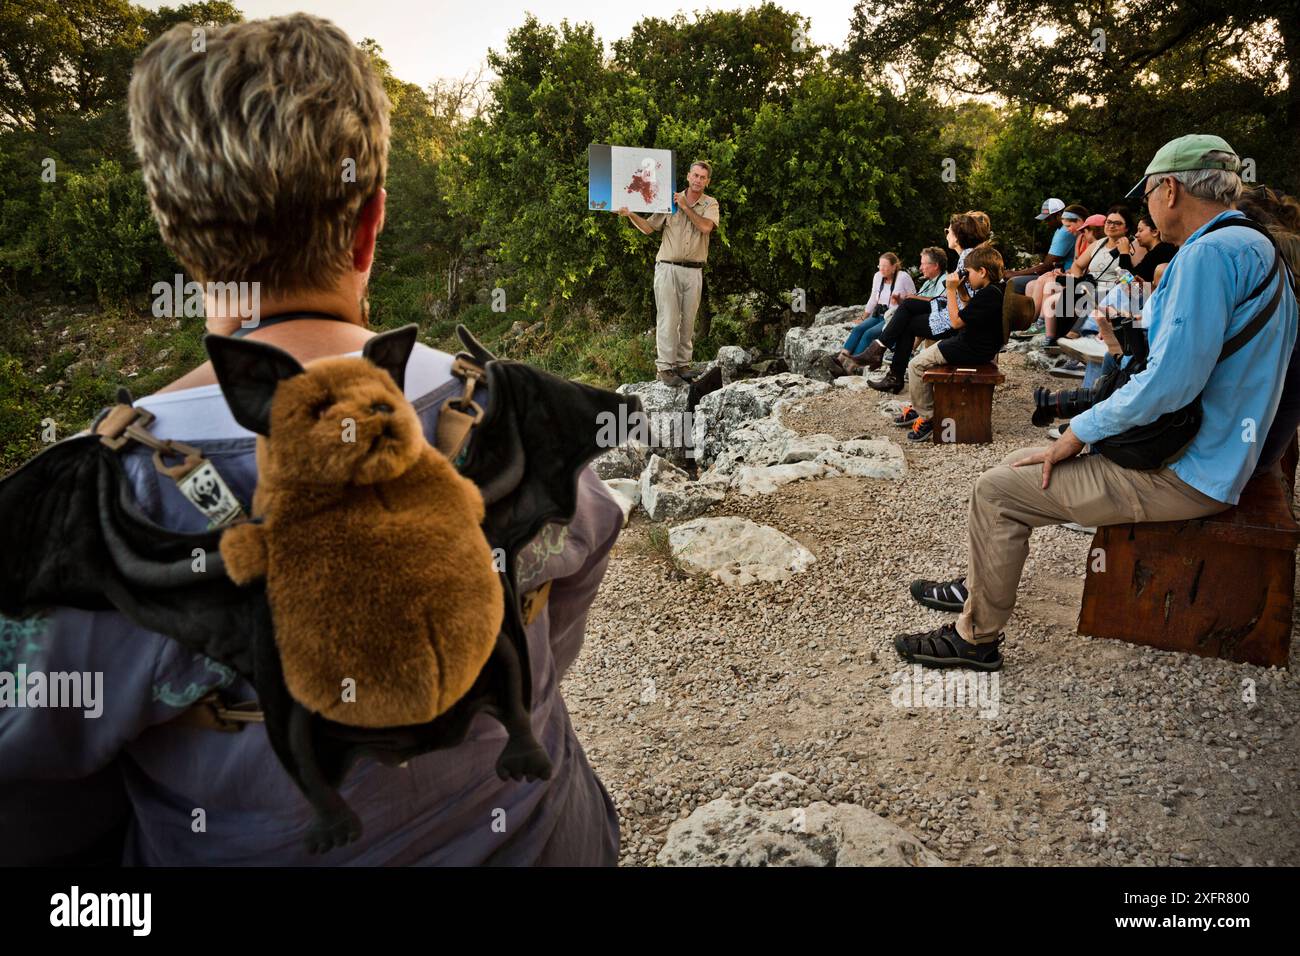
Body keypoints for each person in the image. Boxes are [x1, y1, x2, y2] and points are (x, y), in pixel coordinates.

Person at [0, 14, 624, 865]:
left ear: (180, 240)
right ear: (371, 223)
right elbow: (580, 571)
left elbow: (34, 788)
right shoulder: (511, 413)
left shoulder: (118, 493)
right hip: (546, 840)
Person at [894, 134, 1297, 671]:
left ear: (1170, 190)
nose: (1144, 206)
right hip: (1224, 455)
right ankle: (974, 585)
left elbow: (1168, 384)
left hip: (1192, 470)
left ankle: (976, 638)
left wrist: (1078, 432)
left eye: (1148, 194)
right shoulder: (1257, 247)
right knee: (1018, 474)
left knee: (997, 491)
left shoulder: (1206, 256)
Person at [619, 161, 721, 387]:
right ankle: (664, 368)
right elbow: (648, 228)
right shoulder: (668, 201)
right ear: (687, 176)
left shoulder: (710, 204)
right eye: (695, 175)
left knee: (688, 321)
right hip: (668, 267)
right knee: (668, 318)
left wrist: (685, 207)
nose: (698, 180)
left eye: (703, 177)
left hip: (694, 271)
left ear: (707, 181)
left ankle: (683, 365)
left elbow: (706, 228)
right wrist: (629, 214)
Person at [892, 246, 1006, 442]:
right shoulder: (993, 291)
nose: (966, 277)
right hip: (973, 345)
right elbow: (971, 310)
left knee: (916, 365)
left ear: (982, 272)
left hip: (968, 348)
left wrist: (951, 290)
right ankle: (922, 404)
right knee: (927, 351)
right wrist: (961, 287)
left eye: (968, 273)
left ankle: (928, 417)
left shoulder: (989, 295)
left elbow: (956, 322)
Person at [863, 213, 985, 393]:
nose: (946, 234)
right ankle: (883, 357)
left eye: (948, 231)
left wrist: (950, 291)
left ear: (958, 237)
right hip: (953, 311)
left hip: (956, 320)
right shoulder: (967, 256)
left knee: (908, 317)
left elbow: (966, 298)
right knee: (908, 307)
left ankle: (887, 364)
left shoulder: (968, 258)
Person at [1040, 205, 1137, 347]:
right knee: (1069, 293)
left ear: (1126, 228)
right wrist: (1078, 279)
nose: (1111, 226)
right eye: (1109, 222)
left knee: (1088, 299)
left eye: (1117, 223)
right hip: (1090, 285)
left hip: (1112, 290)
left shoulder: (1131, 247)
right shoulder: (1098, 244)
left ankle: (1071, 338)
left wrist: (1123, 253)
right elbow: (1077, 265)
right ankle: (1059, 340)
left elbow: (1128, 279)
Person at [835, 251, 918, 371]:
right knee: (858, 329)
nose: (882, 269)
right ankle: (840, 360)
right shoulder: (878, 276)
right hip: (878, 313)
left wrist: (902, 304)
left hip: (893, 316)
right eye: (880, 266)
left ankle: (850, 367)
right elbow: (873, 298)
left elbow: (913, 298)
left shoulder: (903, 277)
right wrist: (864, 317)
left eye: (885, 266)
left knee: (869, 334)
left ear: (894, 266)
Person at [1005, 197, 1076, 294]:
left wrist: (1015, 273)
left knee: (1014, 283)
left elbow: (1046, 266)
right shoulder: (1060, 229)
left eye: (1048, 219)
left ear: (1059, 215)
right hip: (1057, 273)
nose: (1046, 223)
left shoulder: (1065, 232)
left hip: (1064, 275)